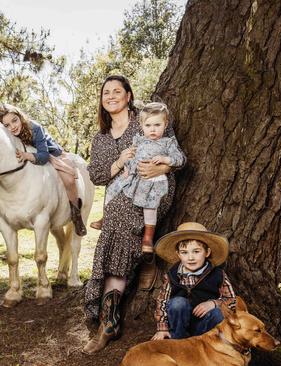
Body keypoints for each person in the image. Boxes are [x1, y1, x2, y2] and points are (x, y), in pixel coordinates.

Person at [82, 75, 186, 354]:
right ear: (101, 101)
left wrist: (162, 169)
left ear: (129, 96)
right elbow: (97, 175)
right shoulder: (101, 138)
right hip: (121, 196)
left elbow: (175, 153)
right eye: (106, 92)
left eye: (118, 91)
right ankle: (143, 258)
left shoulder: (148, 119)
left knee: (117, 221)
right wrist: (118, 162)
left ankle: (108, 323)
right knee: (117, 217)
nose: (111, 96)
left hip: (155, 190)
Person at [0, 103, 87, 236]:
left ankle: (76, 213)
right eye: (7, 125)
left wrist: (27, 155)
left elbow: (43, 156)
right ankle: (9, 218)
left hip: (50, 153)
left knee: (69, 179)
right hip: (29, 157)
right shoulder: (7, 137)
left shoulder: (34, 128)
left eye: (14, 120)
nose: (13, 127)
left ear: (20, 117)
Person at [104, 102, 185, 255]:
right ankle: (105, 217)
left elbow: (179, 159)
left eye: (157, 125)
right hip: (133, 177)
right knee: (112, 190)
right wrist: (127, 166)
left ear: (165, 124)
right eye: (148, 125)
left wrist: (165, 159)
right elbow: (131, 157)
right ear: (142, 125)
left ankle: (148, 236)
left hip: (153, 181)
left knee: (150, 206)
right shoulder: (139, 140)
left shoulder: (168, 143)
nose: (153, 129)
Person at [152, 222, 237, 340]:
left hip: (203, 326)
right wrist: (162, 328)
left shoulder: (218, 274)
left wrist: (213, 303)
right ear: (178, 254)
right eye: (184, 252)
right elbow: (162, 301)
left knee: (218, 314)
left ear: (207, 252)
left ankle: (205, 344)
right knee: (178, 303)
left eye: (196, 251)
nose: (190, 257)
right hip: (179, 324)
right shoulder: (172, 275)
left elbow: (232, 300)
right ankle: (178, 341)